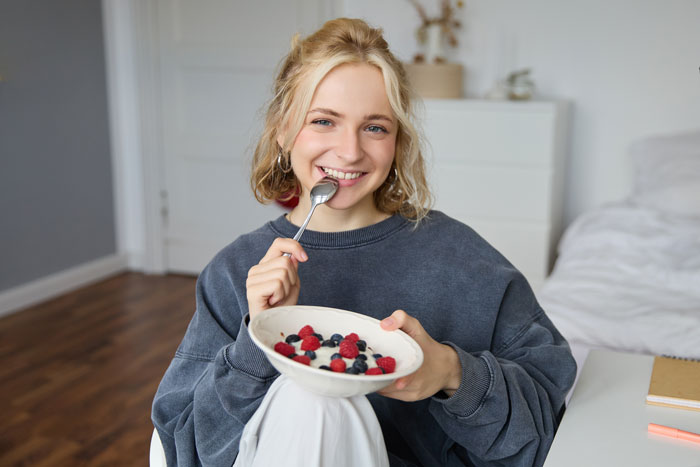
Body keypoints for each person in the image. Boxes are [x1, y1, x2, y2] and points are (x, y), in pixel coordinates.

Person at [152, 17, 577, 467]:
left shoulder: (461, 260)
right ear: (282, 129)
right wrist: (256, 345)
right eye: (323, 121)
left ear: (397, 142)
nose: (350, 151)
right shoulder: (236, 272)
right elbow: (185, 449)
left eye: (375, 127)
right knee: (312, 400)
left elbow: (549, 424)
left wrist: (452, 373)